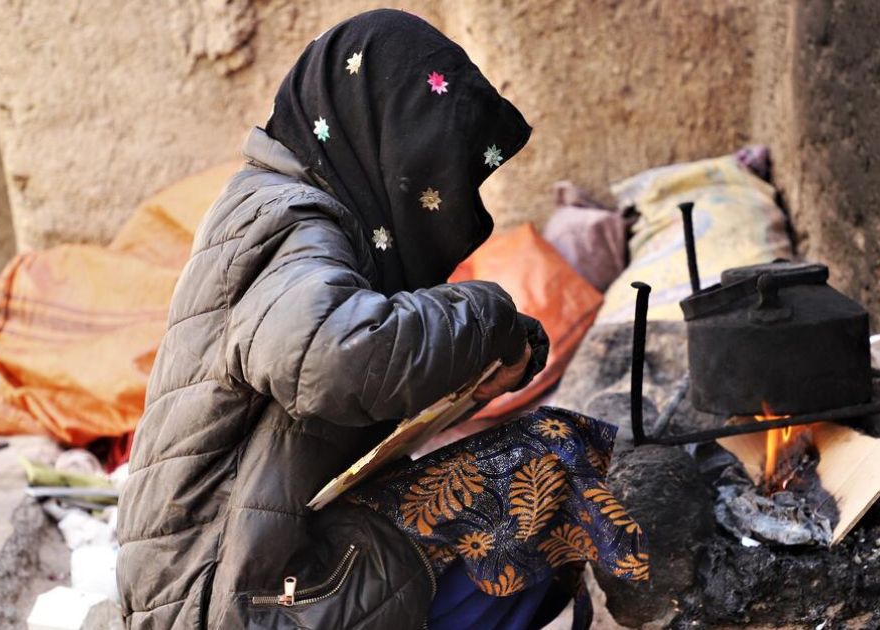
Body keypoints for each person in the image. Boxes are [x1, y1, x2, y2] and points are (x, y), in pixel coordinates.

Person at [116, 9, 644, 630]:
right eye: (433, 177)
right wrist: (487, 314)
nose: (448, 207)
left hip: (231, 578)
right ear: (384, 139)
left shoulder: (277, 204)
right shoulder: (289, 221)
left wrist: (473, 369)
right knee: (548, 463)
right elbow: (332, 358)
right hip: (236, 598)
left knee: (522, 477)